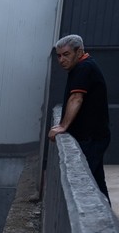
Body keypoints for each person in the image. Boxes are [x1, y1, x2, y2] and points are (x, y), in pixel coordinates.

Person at [47, 34, 110, 199]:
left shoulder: (84, 68)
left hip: (91, 138)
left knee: (86, 185)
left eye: (66, 54)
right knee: (96, 182)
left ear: (79, 51)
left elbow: (76, 98)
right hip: (94, 137)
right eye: (59, 56)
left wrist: (62, 126)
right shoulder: (83, 67)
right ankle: (105, 220)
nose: (61, 60)